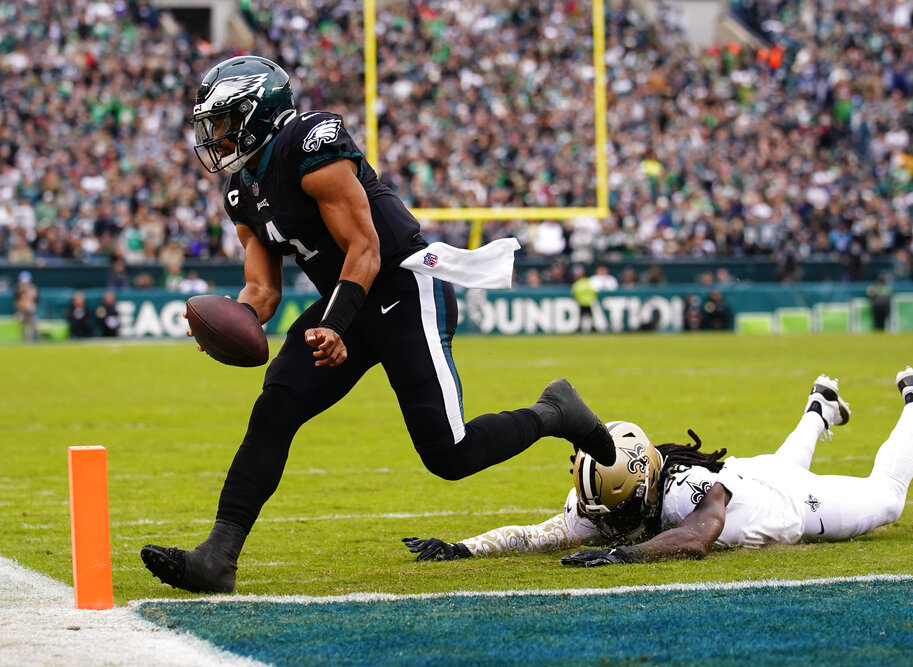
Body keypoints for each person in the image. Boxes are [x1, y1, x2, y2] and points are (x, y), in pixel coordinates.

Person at [139, 55, 615, 593]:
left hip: (403, 289)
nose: (217, 138)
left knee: (448, 455)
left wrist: (337, 324)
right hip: (345, 303)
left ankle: (555, 412)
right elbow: (264, 290)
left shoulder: (310, 142)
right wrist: (233, 319)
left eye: (224, 122)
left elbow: (365, 248)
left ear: (257, 112)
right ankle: (218, 557)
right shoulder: (239, 191)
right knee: (276, 407)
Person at [403, 368, 913, 566]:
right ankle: (819, 409)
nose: (612, 522)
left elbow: (698, 537)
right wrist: (467, 547)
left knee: (887, 498)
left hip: (785, 504)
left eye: (621, 513)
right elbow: (537, 535)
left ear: (643, 482)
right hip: (756, 478)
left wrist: (626, 553)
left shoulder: (686, 492)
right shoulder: (609, 493)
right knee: (784, 460)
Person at [14, 271, 38, 342]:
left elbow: (35, 300)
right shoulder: (17, 289)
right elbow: (17, 303)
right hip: (21, 312)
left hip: (30, 312)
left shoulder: (33, 288)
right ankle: (25, 341)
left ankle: (36, 340)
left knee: (34, 325)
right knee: (23, 326)